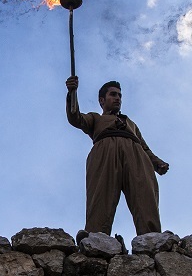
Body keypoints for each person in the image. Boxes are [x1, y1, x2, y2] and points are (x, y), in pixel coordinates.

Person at [66, 76, 168, 238]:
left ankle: (152, 238)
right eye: (113, 95)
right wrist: (72, 93)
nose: (117, 98)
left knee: (144, 195)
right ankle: (96, 238)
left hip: (135, 153)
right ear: (102, 100)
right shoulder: (95, 118)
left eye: (119, 96)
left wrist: (157, 162)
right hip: (105, 151)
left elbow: (144, 147)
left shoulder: (131, 124)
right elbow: (75, 117)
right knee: (100, 196)